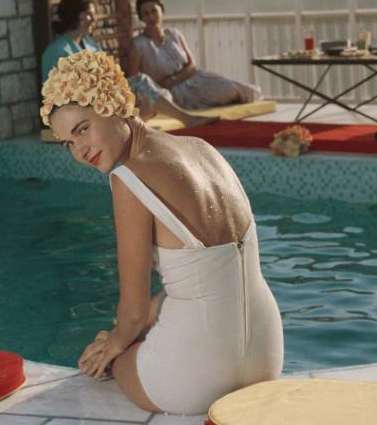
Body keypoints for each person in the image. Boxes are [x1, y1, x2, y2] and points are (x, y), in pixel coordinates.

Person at [42, 51, 283, 415]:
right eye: (68, 143)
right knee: (160, 312)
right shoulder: (203, 150)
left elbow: (134, 311)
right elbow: (209, 271)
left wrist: (113, 344)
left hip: (197, 376)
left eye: (82, 130)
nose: (79, 151)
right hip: (267, 354)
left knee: (117, 358)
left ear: (112, 104)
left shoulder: (128, 178)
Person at [42, 0, 215, 128]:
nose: (94, 19)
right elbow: (60, 95)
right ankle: (187, 119)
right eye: (89, 15)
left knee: (145, 95)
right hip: (77, 109)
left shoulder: (90, 44)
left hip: (100, 99)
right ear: (77, 17)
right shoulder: (58, 51)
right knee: (141, 86)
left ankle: (140, 123)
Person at [131, 0, 263, 109]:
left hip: (195, 79)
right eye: (146, 14)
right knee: (211, 99)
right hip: (170, 91)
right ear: (141, 18)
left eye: (154, 11)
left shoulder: (174, 34)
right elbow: (135, 78)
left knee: (237, 89)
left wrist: (175, 79)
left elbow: (192, 64)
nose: (151, 17)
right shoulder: (139, 44)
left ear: (162, 11)